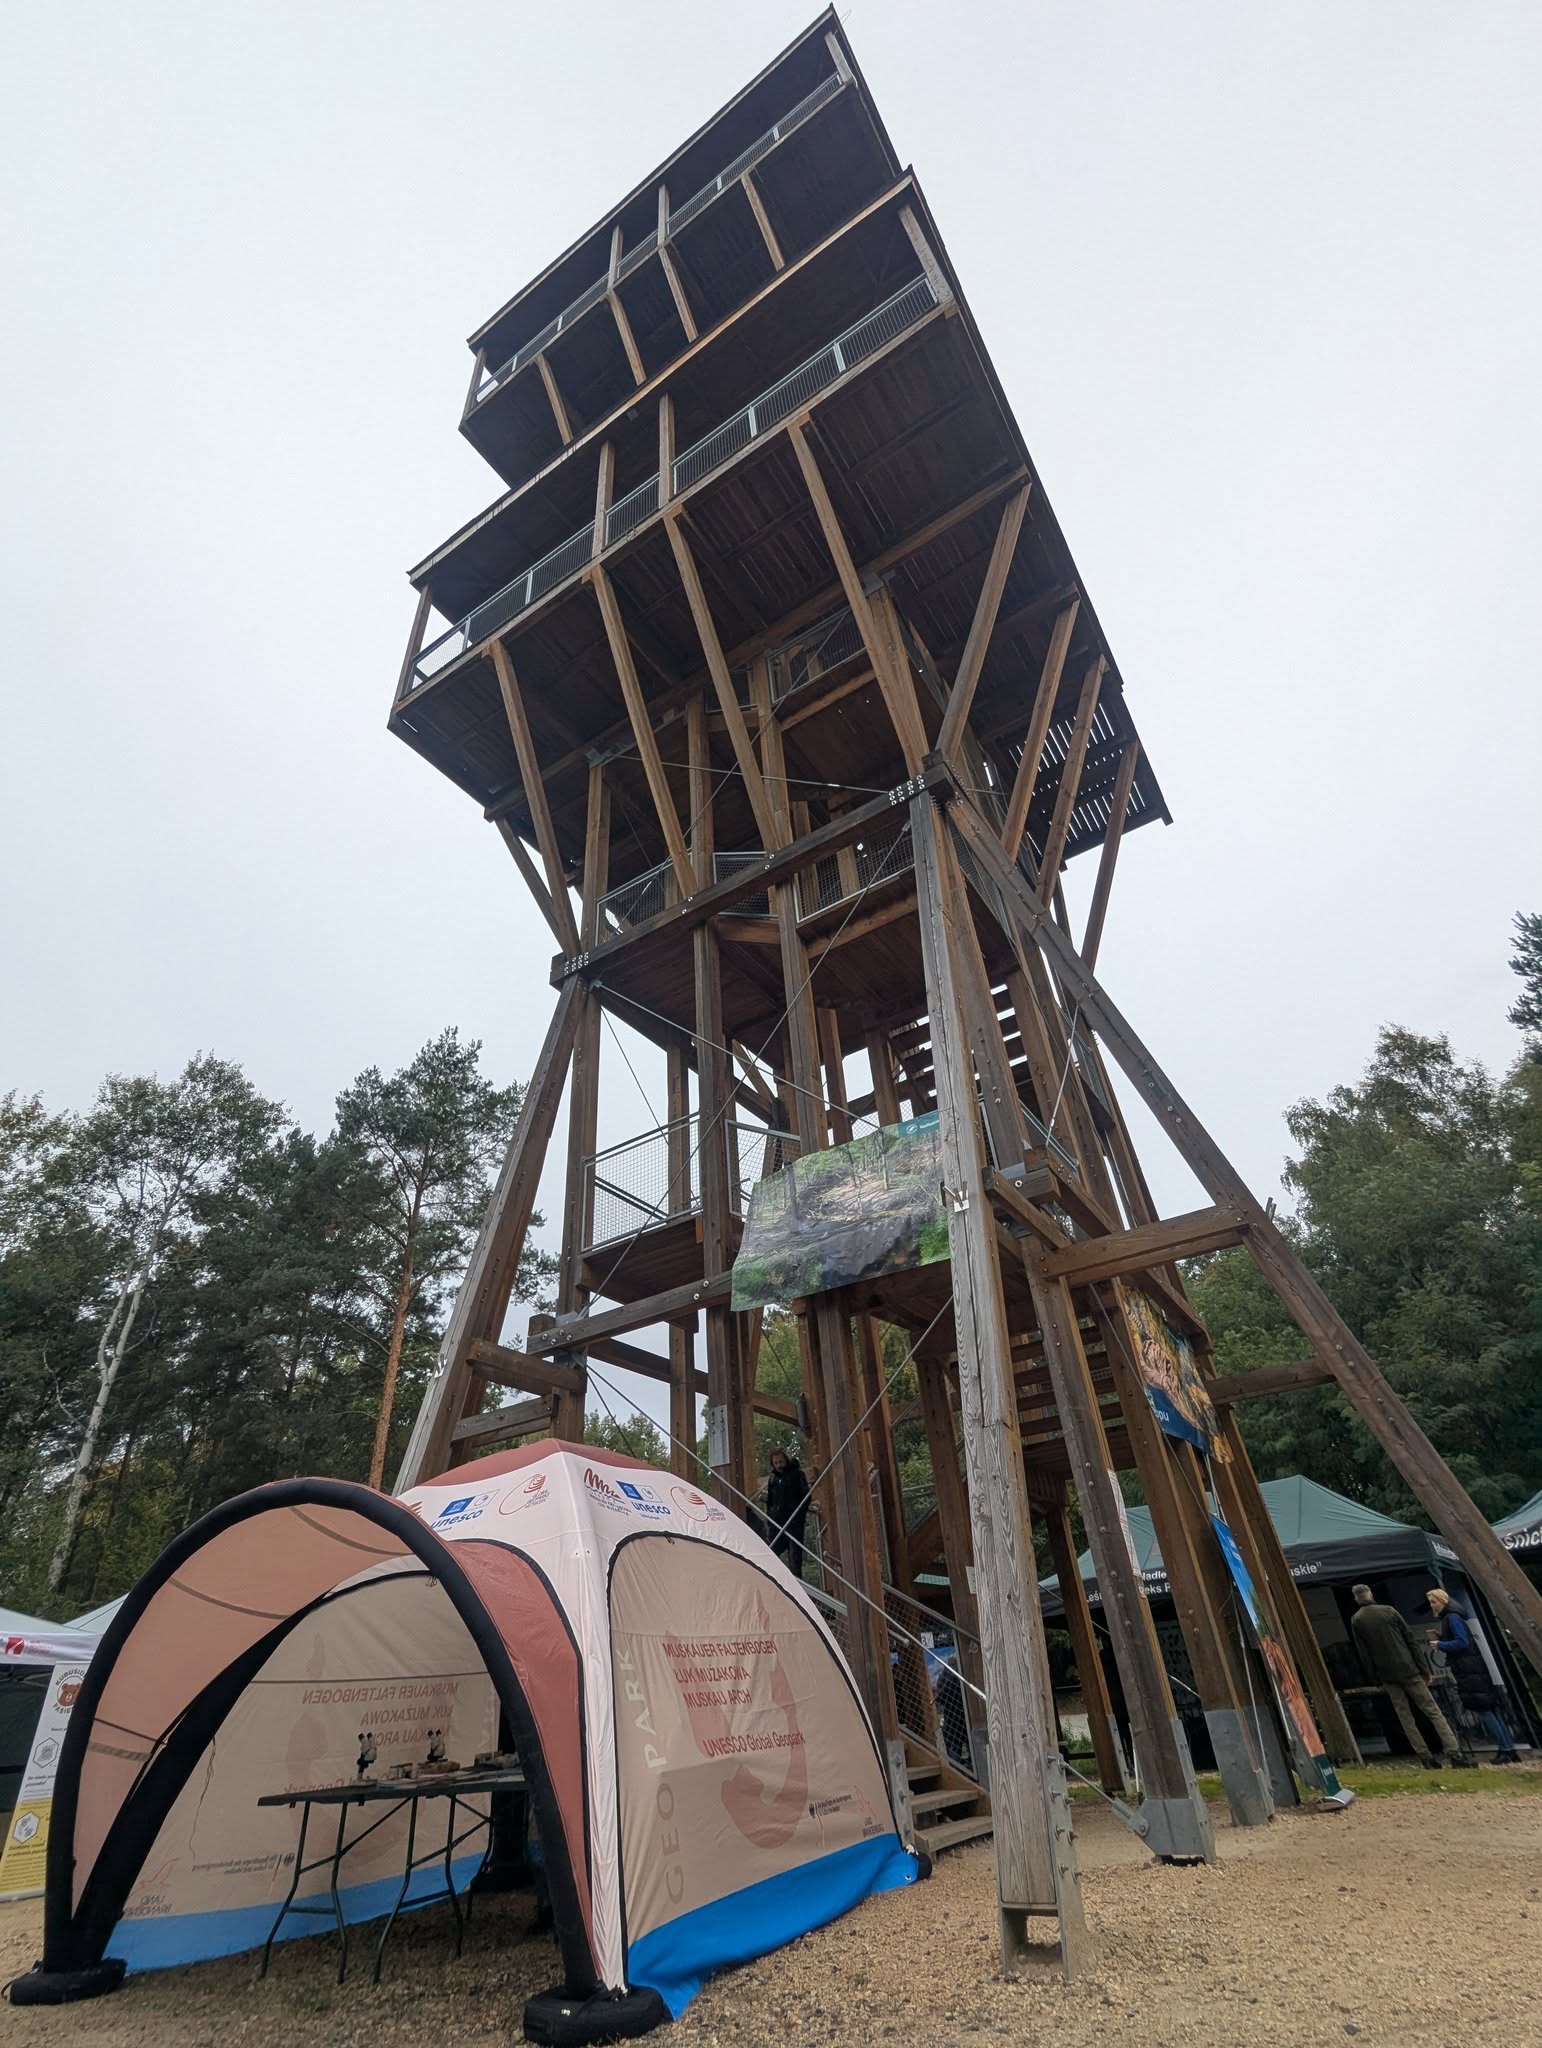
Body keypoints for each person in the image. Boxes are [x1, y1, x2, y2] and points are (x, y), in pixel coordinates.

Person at [1348, 1583, 1470, 1768]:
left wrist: (1374, 1677)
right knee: (1432, 1710)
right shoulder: (1389, 1611)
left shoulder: (1357, 1620)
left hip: (1387, 1674)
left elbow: (1363, 1652)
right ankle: (1454, 1752)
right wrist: (1424, 1669)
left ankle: (1424, 1756)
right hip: (1409, 1668)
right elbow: (1410, 1639)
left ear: (1356, 1598)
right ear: (1370, 1594)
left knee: (1405, 1716)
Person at [1425, 1588, 1522, 1763]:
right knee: (1491, 1709)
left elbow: (1462, 1642)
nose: (1432, 1605)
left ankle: (1505, 1749)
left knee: (1484, 1710)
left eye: (1434, 1601)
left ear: (1443, 1601)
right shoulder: (1454, 1617)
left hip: (1468, 1670)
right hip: (1473, 1668)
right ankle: (1509, 1748)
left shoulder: (1451, 1618)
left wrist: (1441, 1644)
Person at [765, 1444, 811, 1579]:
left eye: (781, 1461)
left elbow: (806, 1497)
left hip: (793, 1524)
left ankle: (797, 1586)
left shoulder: (797, 1475)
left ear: (786, 1460)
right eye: (776, 1463)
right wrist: (770, 1520)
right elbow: (770, 1502)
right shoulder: (773, 1479)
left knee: (795, 1560)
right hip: (777, 1524)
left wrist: (799, 1517)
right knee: (771, 1556)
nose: (779, 1465)